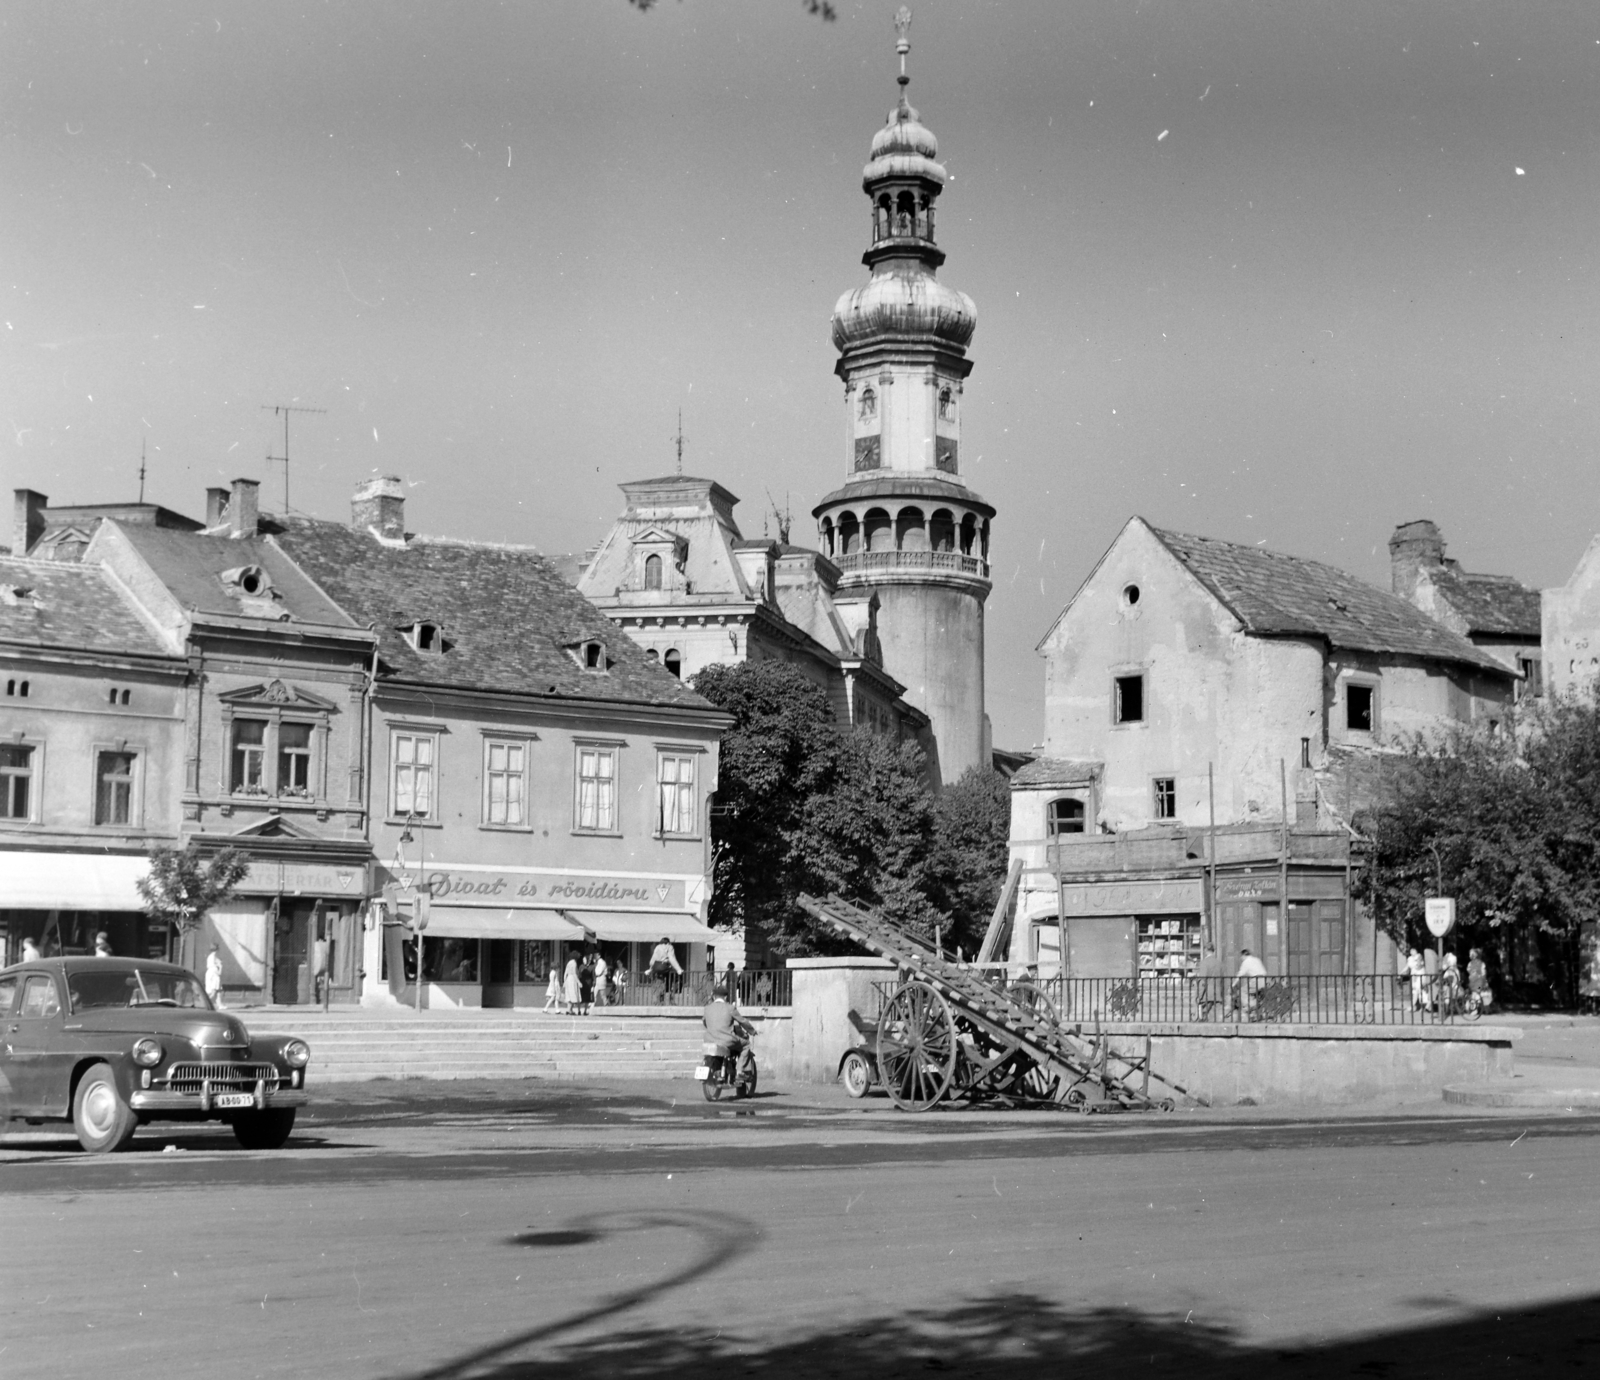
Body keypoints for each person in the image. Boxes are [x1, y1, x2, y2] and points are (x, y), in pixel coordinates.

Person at [702, 982, 755, 1081]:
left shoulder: (707, 1008)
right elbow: (742, 1021)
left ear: (713, 996)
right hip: (726, 1040)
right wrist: (752, 1031)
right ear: (725, 997)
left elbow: (705, 1022)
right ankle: (740, 1072)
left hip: (709, 1040)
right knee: (746, 1045)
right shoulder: (730, 1007)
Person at [1233, 948, 1267, 1019]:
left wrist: (1233, 984)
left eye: (1241, 957)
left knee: (1242, 992)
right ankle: (1255, 1011)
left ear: (1243, 955)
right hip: (1264, 980)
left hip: (1255, 980)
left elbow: (1240, 974)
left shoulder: (1246, 962)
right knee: (1254, 994)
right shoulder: (1257, 960)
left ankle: (1250, 1006)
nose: (1241, 958)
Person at [1194, 943, 1223, 1020]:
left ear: (1205, 950)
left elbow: (1203, 980)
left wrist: (1199, 995)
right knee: (1213, 1018)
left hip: (1207, 994)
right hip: (1217, 993)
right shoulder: (1218, 962)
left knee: (1202, 1016)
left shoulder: (1204, 962)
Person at [648, 937, 682, 1003]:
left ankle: (659, 1001)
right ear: (668, 942)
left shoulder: (657, 947)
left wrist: (650, 969)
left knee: (659, 983)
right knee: (672, 981)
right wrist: (678, 969)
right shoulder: (669, 947)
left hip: (657, 969)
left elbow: (652, 960)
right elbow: (672, 959)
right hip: (665, 968)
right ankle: (671, 1000)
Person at [1467, 947, 1492, 1013]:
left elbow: (1469, 972)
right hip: (1478, 983)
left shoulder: (1471, 964)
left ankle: (1475, 1010)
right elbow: (1484, 974)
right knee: (1476, 994)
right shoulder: (1481, 963)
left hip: (1476, 983)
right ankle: (1482, 1009)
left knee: (1476, 994)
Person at [1407, 946, 1430, 1011]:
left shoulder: (1418, 956)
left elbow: (1418, 965)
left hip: (1420, 976)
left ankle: (1413, 1005)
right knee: (1418, 992)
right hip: (1416, 977)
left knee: (1418, 991)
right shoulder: (1412, 958)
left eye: (1412, 950)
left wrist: (1415, 966)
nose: (1411, 952)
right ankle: (1422, 1006)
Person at [204, 943, 226, 1009]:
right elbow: (219, 972)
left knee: (218, 990)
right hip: (214, 973)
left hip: (210, 973)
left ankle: (220, 1005)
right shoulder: (214, 957)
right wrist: (220, 966)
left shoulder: (210, 956)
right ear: (217, 949)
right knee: (214, 992)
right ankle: (205, 1004)